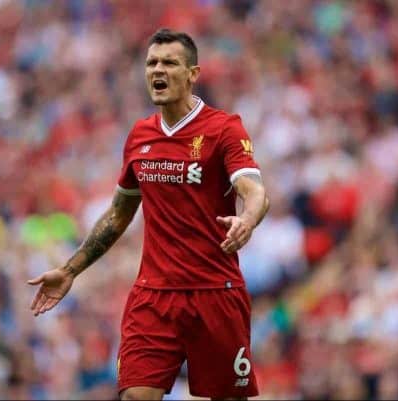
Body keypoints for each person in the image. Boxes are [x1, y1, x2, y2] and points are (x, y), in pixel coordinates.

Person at [28, 28, 269, 400]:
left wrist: (247, 220)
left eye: (170, 62)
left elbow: (255, 190)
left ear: (193, 74)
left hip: (215, 293)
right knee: (134, 396)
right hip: (154, 297)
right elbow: (118, 214)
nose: (158, 70)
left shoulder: (224, 129)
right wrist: (70, 269)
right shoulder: (140, 136)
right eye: (152, 63)